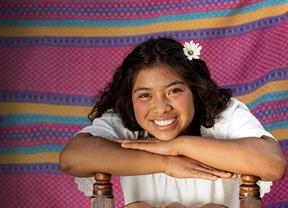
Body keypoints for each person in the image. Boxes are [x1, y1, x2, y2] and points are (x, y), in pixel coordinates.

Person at [58, 38, 286, 208]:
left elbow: (272, 164)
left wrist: (179, 146)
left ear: (195, 89)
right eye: (145, 95)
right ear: (130, 99)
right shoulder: (126, 119)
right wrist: (167, 163)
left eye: (174, 91)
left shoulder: (225, 115)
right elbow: (72, 158)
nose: (161, 107)